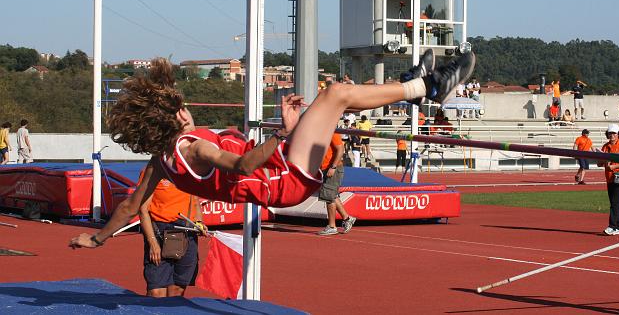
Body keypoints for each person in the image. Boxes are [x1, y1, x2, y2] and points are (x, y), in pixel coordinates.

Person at [70, 51, 475, 249]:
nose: (188, 110)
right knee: (335, 94)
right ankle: (429, 87)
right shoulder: (193, 150)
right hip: (285, 180)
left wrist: (97, 240)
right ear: (173, 119)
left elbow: (128, 207)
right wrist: (282, 137)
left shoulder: (161, 163)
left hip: (284, 175)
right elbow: (245, 163)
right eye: (182, 107)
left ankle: (414, 86)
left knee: (340, 98)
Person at [139, 176, 206, 297]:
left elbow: (195, 202)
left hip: (186, 233)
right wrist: (153, 243)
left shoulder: (190, 171)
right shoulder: (153, 172)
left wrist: (199, 223)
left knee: (177, 291)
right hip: (160, 233)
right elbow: (143, 210)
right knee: (157, 292)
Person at [317, 131, 356, 236]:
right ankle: (347, 218)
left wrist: (333, 167)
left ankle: (332, 226)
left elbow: (340, 149)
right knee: (332, 195)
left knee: (329, 196)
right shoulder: (322, 132)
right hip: (325, 168)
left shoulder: (332, 132)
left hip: (333, 168)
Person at [598, 124, 619, 236]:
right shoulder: (605, 146)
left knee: (615, 203)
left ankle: (612, 226)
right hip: (609, 178)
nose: (612, 135)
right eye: (610, 133)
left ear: (618, 134)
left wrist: (614, 167)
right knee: (615, 203)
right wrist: (601, 161)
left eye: (614, 133)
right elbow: (599, 163)